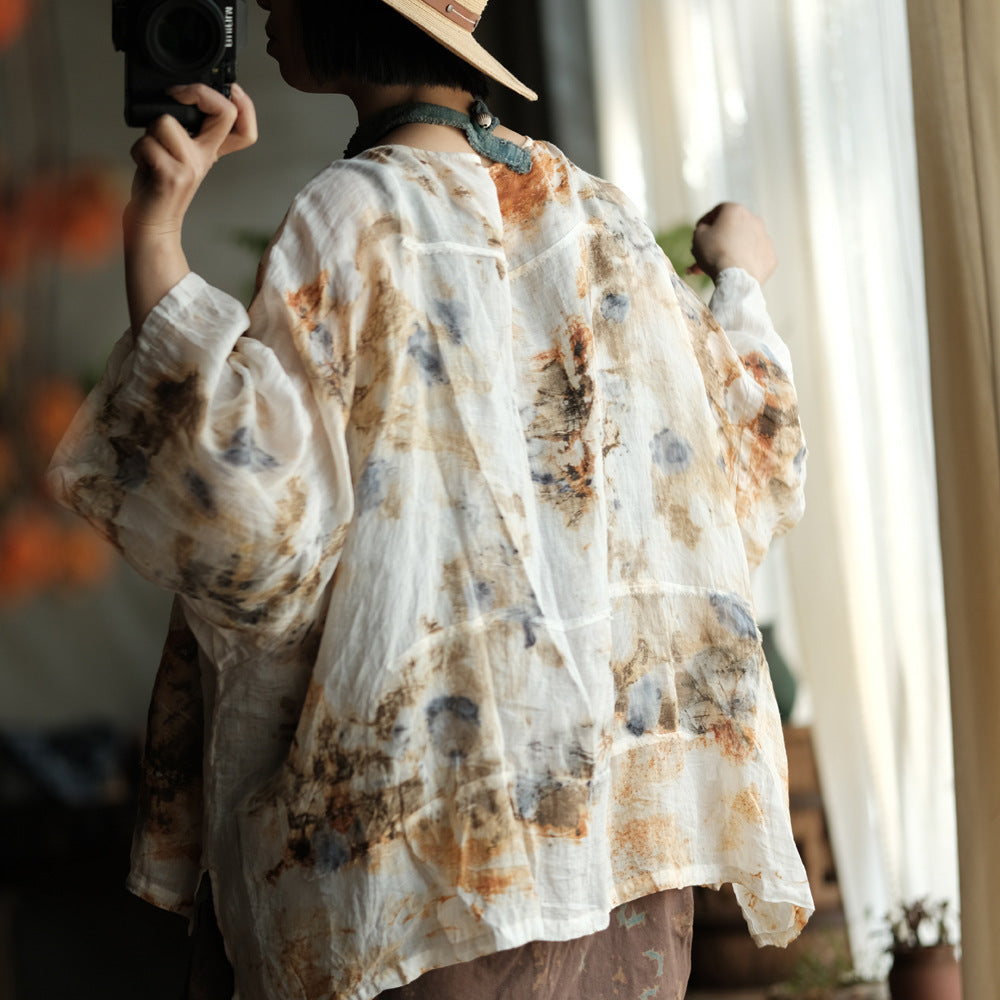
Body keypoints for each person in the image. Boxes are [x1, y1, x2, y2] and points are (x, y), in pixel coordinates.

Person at [49, 1, 812, 997]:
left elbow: (247, 520)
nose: (270, 8)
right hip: (614, 850)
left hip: (424, 859)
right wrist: (739, 279)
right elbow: (749, 461)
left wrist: (154, 227)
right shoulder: (598, 216)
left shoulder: (355, 213)